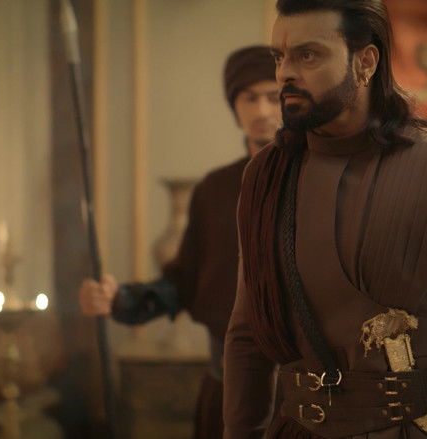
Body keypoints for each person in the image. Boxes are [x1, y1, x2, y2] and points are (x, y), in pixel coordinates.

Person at [223, 1, 427, 438]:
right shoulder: (266, 174)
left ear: (365, 62)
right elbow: (247, 336)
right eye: (280, 57)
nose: (285, 74)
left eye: (308, 55)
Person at [78, 45, 280, 439]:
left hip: (306, 397)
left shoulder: (322, 181)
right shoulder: (214, 190)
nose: (261, 111)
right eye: (249, 98)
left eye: (273, 97)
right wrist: (120, 299)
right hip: (227, 388)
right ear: (234, 106)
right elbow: (183, 282)